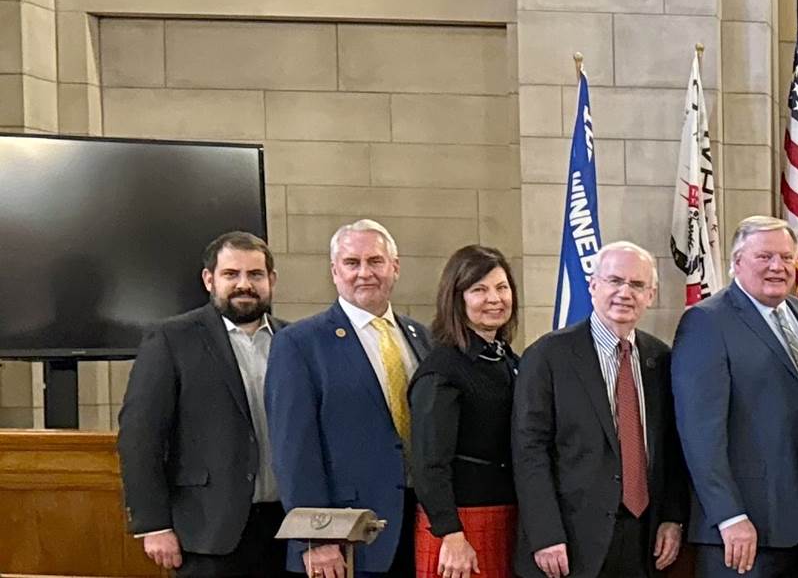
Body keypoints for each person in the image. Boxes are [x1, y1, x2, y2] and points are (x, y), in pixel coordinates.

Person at [119, 231, 290, 577]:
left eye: (255, 274)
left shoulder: (293, 340)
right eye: (232, 274)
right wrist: (153, 525)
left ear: (271, 280)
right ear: (209, 279)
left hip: (285, 529)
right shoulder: (171, 339)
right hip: (206, 531)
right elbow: (140, 436)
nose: (245, 284)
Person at [267, 219, 432, 578]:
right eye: (351, 263)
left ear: (395, 267)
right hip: (346, 539)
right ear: (334, 271)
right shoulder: (300, 343)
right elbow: (293, 449)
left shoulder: (421, 336)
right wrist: (316, 537)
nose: (364, 273)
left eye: (375, 261)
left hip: (420, 527)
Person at [512, 242, 688, 578]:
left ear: (651, 295)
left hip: (643, 538)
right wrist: (546, 534)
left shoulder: (661, 359)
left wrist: (672, 516)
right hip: (570, 539)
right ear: (593, 286)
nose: (625, 292)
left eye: (637, 285)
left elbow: (672, 447)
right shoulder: (548, 355)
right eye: (615, 281)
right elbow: (529, 452)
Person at [673, 215, 798, 577]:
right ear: (736, 263)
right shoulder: (706, 322)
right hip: (745, 529)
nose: (778, 266)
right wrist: (729, 515)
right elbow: (700, 434)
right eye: (764, 257)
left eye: (787, 258)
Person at [409, 246, 522, 578]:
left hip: (507, 513)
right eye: (480, 290)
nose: (495, 298)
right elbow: (429, 462)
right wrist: (451, 533)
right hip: (462, 524)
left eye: (502, 288)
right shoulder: (442, 369)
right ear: (456, 298)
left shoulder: (506, 360)